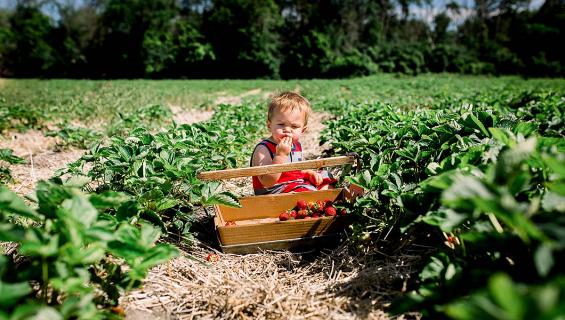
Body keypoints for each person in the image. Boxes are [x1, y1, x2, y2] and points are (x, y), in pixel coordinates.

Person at [250, 91, 336, 195]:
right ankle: (318, 200)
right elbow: (267, 182)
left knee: (325, 175)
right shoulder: (263, 149)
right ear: (269, 126)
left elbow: (294, 172)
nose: (287, 130)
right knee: (305, 191)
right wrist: (280, 155)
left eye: (294, 126)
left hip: (295, 184)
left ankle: (322, 199)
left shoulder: (297, 145)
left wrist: (308, 173)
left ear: (303, 130)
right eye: (281, 124)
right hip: (275, 190)